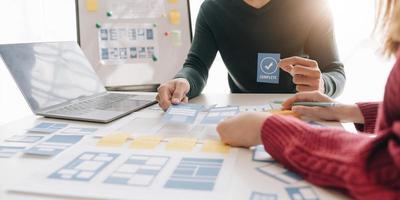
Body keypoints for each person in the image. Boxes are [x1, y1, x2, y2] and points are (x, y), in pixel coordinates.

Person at [216, 0, 400, 198]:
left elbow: (390, 171)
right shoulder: (215, 8)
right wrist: (352, 111)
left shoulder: (314, 6)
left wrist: (272, 131)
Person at [156, 0, 346, 110]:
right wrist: (184, 81)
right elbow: (196, 66)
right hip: (241, 111)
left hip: (297, 111)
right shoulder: (213, 8)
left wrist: (322, 85)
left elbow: (335, 71)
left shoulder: (313, 6)